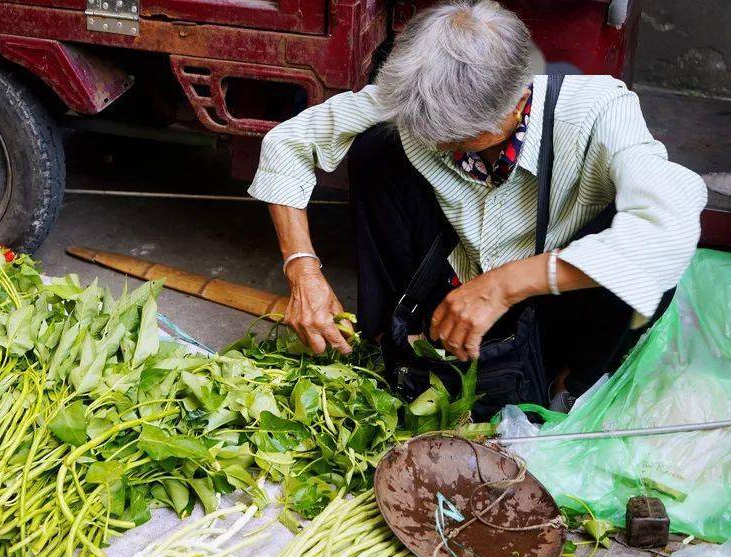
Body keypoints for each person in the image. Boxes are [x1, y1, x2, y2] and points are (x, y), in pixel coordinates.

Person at [251, 0, 707, 412]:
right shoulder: (418, 93)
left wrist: (507, 284)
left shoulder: (598, 111)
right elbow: (288, 144)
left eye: (460, 138)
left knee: (639, 239)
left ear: (518, 102)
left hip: (551, 299)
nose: (442, 144)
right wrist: (302, 270)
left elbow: (672, 226)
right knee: (376, 144)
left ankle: (571, 383)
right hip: (452, 275)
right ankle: (389, 341)